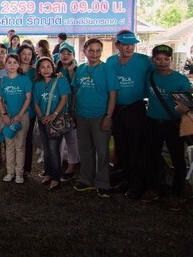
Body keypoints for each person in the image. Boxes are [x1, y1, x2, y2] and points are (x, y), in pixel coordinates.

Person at [140, 45, 190, 210]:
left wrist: (185, 109)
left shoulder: (180, 80)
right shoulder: (150, 77)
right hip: (153, 122)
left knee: (177, 158)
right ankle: (154, 188)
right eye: (158, 59)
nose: (162, 62)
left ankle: (177, 192)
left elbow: (188, 104)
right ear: (153, 60)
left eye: (166, 59)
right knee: (151, 157)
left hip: (173, 124)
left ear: (171, 60)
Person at [106, 30, 153, 198]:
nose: (129, 48)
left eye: (132, 44)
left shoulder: (144, 61)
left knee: (137, 148)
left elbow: (156, 78)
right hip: (118, 111)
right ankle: (124, 180)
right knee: (122, 147)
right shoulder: (111, 61)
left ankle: (137, 185)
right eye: (125, 44)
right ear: (117, 44)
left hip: (136, 109)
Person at [71, 38, 118, 198]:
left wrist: (108, 116)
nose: (95, 54)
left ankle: (103, 183)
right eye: (91, 50)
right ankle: (86, 179)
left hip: (100, 116)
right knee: (85, 149)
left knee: (102, 151)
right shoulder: (81, 69)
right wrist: (73, 110)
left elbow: (113, 95)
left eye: (98, 50)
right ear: (84, 51)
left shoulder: (107, 70)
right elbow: (76, 90)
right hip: (82, 115)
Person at [32, 57, 70, 191]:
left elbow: (64, 99)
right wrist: (41, 117)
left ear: (53, 68)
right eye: (43, 67)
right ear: (38, 70)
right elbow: (36, 102)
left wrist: (53, 115)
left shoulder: (60, 81)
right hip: (43, 121)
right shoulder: (37, 84)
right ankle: (48, 173)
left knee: (54, 149)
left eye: (49, 66)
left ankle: (56, 177)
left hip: (56, 121)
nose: (46, 69)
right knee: (46, 148)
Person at [0, 53, 32, 184]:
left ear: (19, 64)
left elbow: (28, 98)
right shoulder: (1, 81)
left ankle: (19, 173)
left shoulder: (24, 79)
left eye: (14, 62)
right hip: (8, 118)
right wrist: (4, 115)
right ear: (5, 64)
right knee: (9, 145)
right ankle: (9, 172)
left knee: (20, 145)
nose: (12, 65)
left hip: (22, 116)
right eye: (9, 62)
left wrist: (20, 114)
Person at [55, 43, 79, 181]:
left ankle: (71, 166)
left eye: (69, 54)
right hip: (56, 110)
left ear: (74, 56)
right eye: (63, 53)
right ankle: (55, 166)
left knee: (71, 139)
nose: (65, 56)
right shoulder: (54, 69)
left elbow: (76, 90)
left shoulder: (78, 71)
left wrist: (73, 109)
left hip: (71, 109)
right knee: (57, 139)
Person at [18, 45, 37, 175]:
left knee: (27, 139)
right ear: (19, 55)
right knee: (13, 138)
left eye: (29, 54)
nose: (26, 56)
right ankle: (14, 165)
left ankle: (26, 168)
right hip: (14, 109)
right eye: (23, 53)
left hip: (29, 111)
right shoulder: (14, 68)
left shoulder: (35, 72)